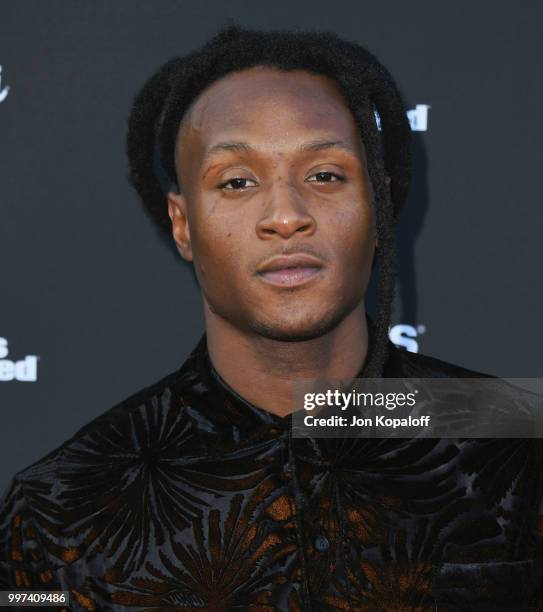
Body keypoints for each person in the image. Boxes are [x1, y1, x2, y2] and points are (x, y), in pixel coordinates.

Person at [1, 24, 543, 611]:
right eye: (237, 182)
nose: (285, 216)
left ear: (379, 206)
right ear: (184, 225)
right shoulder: (61, 505)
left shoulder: (518, 437)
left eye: (325, 175)